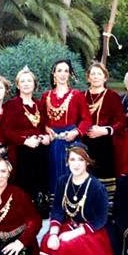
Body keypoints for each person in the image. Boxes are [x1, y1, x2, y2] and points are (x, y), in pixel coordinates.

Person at [33, 144, 114, 255]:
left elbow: (101, 219)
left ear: (87, 162)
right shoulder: (62, 181)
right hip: (68, 224)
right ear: (67, 162)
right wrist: (54, 233)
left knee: (69, 247)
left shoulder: (97, 187)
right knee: (48, 241)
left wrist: (74, 233)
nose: (76, 164)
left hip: (91, 231)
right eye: (72, 159)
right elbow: (57, 209)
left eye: (80, 160)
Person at [0, 66, 51, 216]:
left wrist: (45, 136)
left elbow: (43, 127)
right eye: (23, 81)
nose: (26, 84)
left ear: (34, 84)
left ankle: (40, 210)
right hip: (21, 152)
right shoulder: (11, 105)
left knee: (40, 182)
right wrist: (24, 141)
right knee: (24, 184)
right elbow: (6, 131)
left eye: (29, 81)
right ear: (18, 85)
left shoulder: (39, 104)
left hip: (39, 151)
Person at [41, 59, 92, 199]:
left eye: (66, 71)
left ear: (70, 74)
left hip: (72, 140)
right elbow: (41, 119)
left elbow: (87, 119)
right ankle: (56, 204)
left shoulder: (77, 95)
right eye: (59, 71)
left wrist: (76, 132)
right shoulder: (46, 96)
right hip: (53, 141)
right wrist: (46, 128)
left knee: (73, 171)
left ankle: (75, 204)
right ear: (54, 74)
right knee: (54, 171)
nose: (63, 74)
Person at [82, 62, 126, 201]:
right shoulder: (81, 96)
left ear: (105, 77)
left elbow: (121, 121)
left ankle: (106, 206)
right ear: (88, 78)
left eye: (99, 74)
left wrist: (105, 130)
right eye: (93, 74)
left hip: (105, 144)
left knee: (104, 176)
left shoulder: (112, 96)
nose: (96, 77)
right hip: (85, 143)